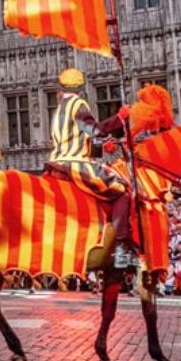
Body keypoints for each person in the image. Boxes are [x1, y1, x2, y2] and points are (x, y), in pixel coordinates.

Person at [44, 68, 133, 269]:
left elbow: (80, 137)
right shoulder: (78, 103)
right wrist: (119, 117)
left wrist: (103, 146)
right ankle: (120, 248)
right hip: (73, 163)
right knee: (122, 191)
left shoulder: (59, 108)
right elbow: (96, 130)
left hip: (57, 161)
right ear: (81, 88)